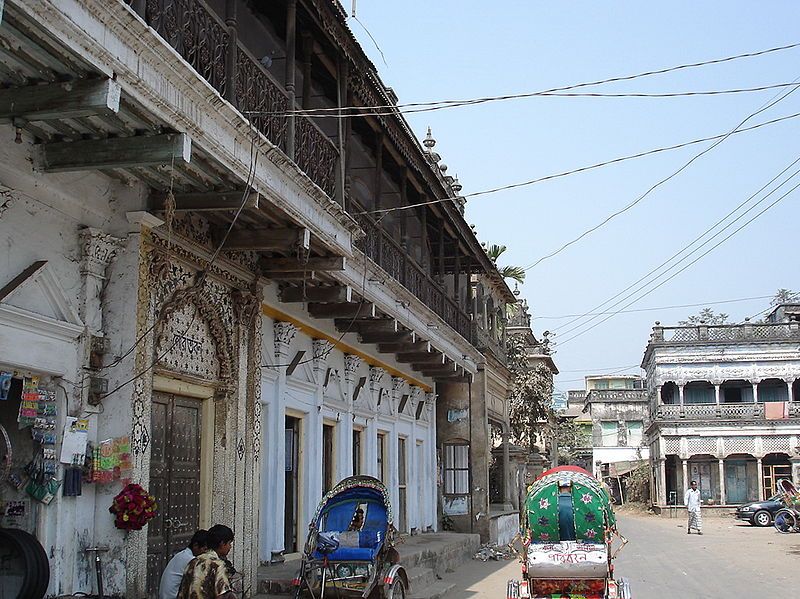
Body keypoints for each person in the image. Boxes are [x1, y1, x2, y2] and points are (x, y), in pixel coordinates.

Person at [177, 526, 236, 599]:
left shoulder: (193, 562)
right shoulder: (217, 565)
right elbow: (221, 595)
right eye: (229, 543)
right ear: (222, 543)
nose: (230, 547)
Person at [158, 529, 209, 599]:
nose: (206, 553)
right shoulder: (190, 559)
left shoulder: (183, 554)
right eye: (205, 549)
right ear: (195, 545)